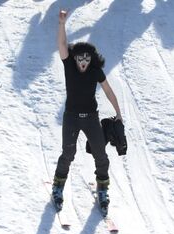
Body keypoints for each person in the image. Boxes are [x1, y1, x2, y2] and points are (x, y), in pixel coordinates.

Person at [52, 9, 122, 215]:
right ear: (74, 59)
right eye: (80, 58)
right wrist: (62, 24)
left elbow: (108, 90)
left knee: (101, 154)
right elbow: (62, 46)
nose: (83, 62)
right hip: (72, 117)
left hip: (91, 118)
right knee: (68, 153)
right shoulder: (69, 66)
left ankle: (102, 190)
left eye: (87, 59)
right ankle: (58, 186)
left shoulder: (95, 71)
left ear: (92, 60)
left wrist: (118, 113)